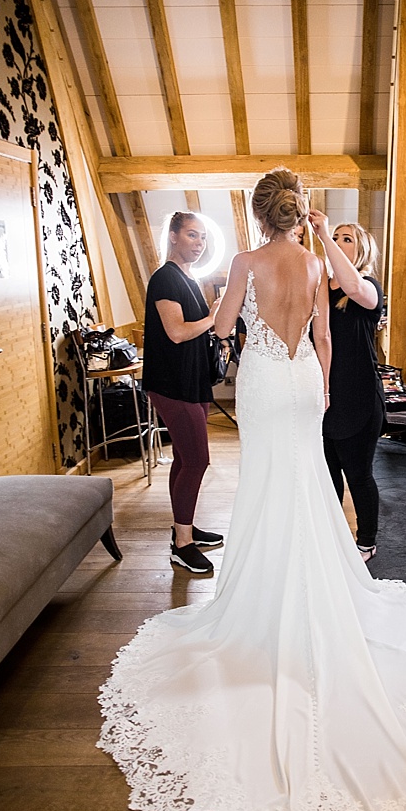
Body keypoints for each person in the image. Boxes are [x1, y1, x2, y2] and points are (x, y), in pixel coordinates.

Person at [97, 168, 406, 811]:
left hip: (262, 384)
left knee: (267, 488)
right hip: (299, 385)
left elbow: (225, 328)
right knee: (310, 491)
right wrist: (319, 388)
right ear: (299, 216)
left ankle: (262, 600)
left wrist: (239, 321)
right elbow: (325, 336)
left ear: (259, 217)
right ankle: (317, 590)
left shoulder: (246, 263)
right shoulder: (320, 260)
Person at [142, 210, 224, 574]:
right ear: (173, 236)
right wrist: (213, 317)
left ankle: (184, 528)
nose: (199, 244)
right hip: (172, 384)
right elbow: (176, 332)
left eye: (203, 237)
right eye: (192, 235)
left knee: (183, 458)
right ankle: (182, 544)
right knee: (197, 460)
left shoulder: (189, 278)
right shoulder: (165, 279)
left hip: (192, 380)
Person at [312, 213, 387, 562]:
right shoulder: (320, 286)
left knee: (358, 474)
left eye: (347, 239)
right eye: (337, 237)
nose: (339, 242)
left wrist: (324, 235)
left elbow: (353, 287)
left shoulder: (368, 286)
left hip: (358, 396)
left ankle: (366, 540)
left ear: (362, 250)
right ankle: (331, 534)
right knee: (326, 476)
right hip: (321, 394)